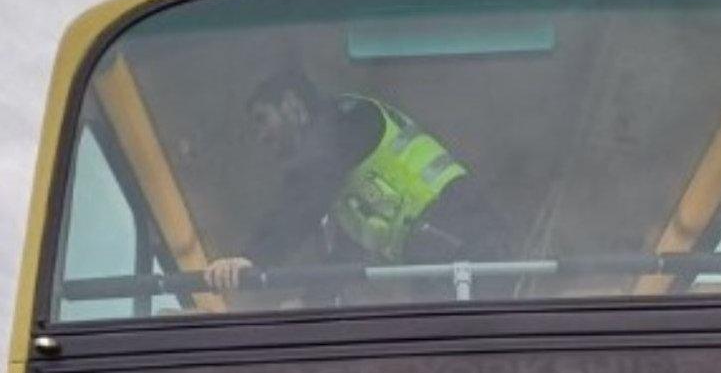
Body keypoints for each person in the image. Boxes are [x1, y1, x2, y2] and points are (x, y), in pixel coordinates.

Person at [204, 70, 508, 302]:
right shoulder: (341, 170)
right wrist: (311, 301)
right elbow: (351, 251)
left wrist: (254, 256)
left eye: (262, 119)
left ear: (291, 104)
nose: (261, 136)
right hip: (443, 252)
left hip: (469, 239)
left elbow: (303, 199)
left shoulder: (341, 124)